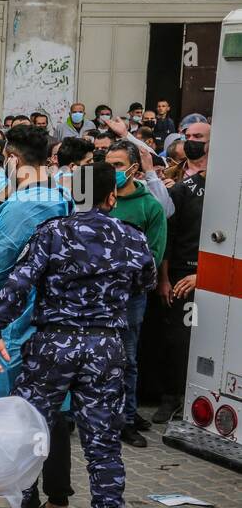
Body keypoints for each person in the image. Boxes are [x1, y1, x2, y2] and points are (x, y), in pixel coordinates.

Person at [0, 161, 155, 508]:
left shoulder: (52, 233)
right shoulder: (132, 238)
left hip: (54, 344)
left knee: (28, 431)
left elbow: (20, 282)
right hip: (106, 348)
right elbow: (143, 283)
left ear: (74, 195)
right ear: (112, 196)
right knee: (103, 446)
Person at [0, 125, 73, 508]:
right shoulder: (64, 197)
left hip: (17, 322)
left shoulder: (21, 206)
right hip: (56, 322)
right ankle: (58, 505)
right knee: (56, 416)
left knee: (15, 417)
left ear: (12, 158)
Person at [104, 140, 167, 448]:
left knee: (127, 358)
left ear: (133, 167)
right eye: (107, 165)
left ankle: (127, 421)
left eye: (117, 165)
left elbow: (152, 257)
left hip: (129, 297)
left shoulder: (149, 206)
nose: (111, 171)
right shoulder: (94, 198)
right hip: (94, 296)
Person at [155, 119, 209, 423]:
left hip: (215, 278)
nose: (192, 140)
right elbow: (168, 239)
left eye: (198, 136)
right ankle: (171, 397)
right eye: (188, 136)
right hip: (179, 276)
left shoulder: (227, 186)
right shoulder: (180, 189)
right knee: (177, 340)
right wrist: (165, 279)